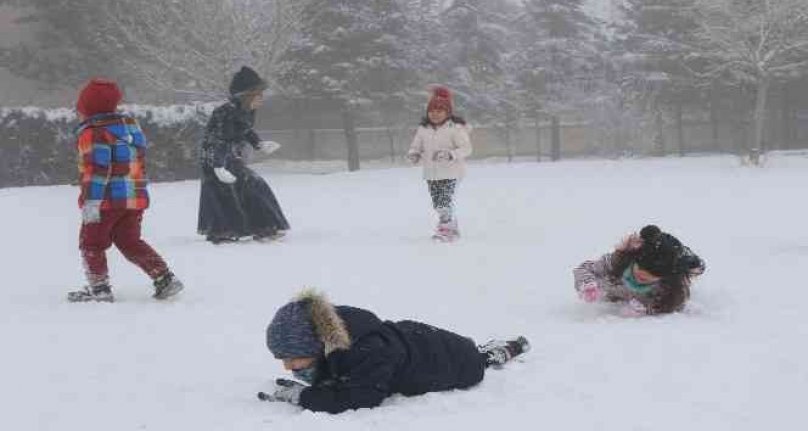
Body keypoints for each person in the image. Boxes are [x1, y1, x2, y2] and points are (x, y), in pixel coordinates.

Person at [260, 290, 529, 413]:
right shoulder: (337, 334)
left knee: (477, 360)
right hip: (417, 343)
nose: (287, 366)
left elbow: (360, 397)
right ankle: (483, 351)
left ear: (314, 344)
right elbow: (340, 369)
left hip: (451, 364)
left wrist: (306, 396)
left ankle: (497, 352)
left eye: (292, 357)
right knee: (470, 351)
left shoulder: (366, 351)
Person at [67, 78, 184, 303]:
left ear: (88, 109)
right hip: (134, 199)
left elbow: (97, 170)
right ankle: (164, 277)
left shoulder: (93, 133)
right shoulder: (130, 128)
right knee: (129, 241)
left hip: (105, 201)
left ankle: (99, 289)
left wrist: (91, 202)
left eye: (80, 108)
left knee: (91, 243)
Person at [198, 66, 290, 244]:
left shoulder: (246, 111)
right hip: (214, 157)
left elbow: (245, 130)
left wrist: (259, 144)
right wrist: (218, 167)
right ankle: (224, 232)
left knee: (253, 184)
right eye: (259, 94)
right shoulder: (225, 112)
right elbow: (219, 141)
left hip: (229, 155)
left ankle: (263, 227)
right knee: (225, 191)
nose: (262, 99)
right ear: (246, 95)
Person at [573, 225, 706, 316]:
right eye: (639, 270)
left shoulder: (668, 289)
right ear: (633, 260)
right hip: (609, 295)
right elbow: (584, 269)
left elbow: (672, 306)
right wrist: (588, 285)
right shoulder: (618, 263)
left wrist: (646, 311)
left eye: (650, 277)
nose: (641, 277)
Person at [406, 86, 472, 242]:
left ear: (447, 113)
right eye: (432, 111)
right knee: (437, 203)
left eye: (439, 111)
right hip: (431, 173)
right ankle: (451, 226)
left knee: (444, 201)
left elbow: (466, 148)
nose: (435, 114)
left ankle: (446, 229)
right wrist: (414, 154)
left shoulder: (455, 129)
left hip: (452, 172)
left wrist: (450, 154)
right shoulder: (423, 129)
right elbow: (416, 146)